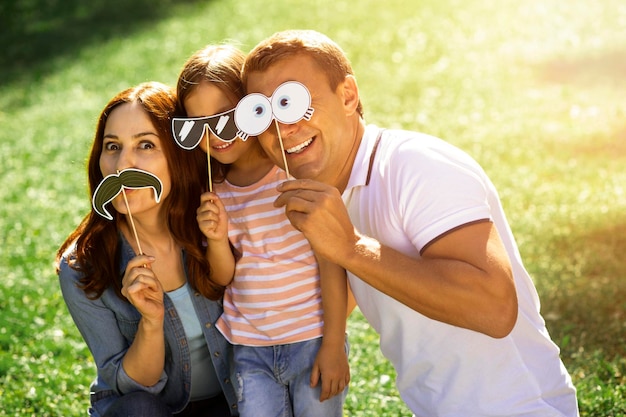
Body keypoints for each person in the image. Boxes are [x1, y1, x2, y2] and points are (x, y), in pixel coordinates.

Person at [240, 30, 580, 417]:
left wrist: (351, 248)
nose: (281, 130)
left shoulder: (416, 165)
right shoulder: (332, 194)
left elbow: (495, 309)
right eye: (263, 114)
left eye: (295, 104)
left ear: (348, 96)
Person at [173, 44, 350, 417]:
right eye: (197, 124)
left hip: (313, 339)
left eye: (225, 117)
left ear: (254, 108)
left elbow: (332, 262)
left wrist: (334, 343)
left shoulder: (294, 174)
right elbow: (223, 277)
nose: (215, 134)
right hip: (250, 348)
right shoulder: (213, 193)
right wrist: (218, 238)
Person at [55, 82, 238, 417]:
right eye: (112, 147)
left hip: (232, 400)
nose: (124, 163)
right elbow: (133, 388)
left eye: (145, 145)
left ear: (177, 155)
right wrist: (150, 322)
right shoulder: (83, 267)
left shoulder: (213, 221)